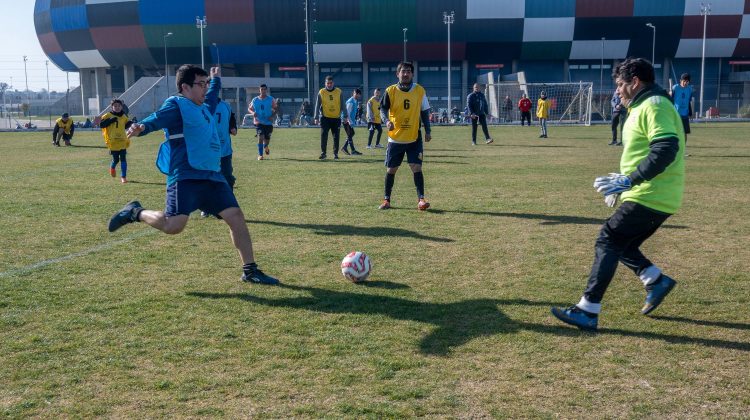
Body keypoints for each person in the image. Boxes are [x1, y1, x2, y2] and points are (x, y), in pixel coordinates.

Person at [108, 65, 279, 285]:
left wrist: (215, 79)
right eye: (201, 84)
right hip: (186, 175)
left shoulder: (204, 105)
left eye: (206, 84)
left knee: (236, 217)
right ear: (185, 87)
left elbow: (213, 93)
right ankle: (135, 212)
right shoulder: (176, 105)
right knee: (173, 226)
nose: (205, 88)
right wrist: (141, 126)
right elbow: (156, 118)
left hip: (212, 176)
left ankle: (250, 271)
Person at [551, 57, 685, 331]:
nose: (617, 90)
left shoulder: (655, 105)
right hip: (650, 193)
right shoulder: (641, 106)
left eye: (619, 84)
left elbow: (666, 149)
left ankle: (588, 309)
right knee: (622, 244)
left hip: (651, 194)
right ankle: (654, 280)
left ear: (635, 82)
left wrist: (630, 180)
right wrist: (622, 178)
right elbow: (644, 151)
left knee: (608, 240)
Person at [378, 61, 432, 211]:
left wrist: (428, 130)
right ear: (398, 74)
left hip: (414, 137)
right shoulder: (390, 91)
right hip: (395, 138)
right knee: (391, 170)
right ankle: (386, 200)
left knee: (416, 167)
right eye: (403, 71)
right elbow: (382, 108)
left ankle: (421, 200)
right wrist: (387, 121)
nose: (406, 74)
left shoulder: (420, 90)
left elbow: (424, 112)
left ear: (412, 74)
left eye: (408, 71)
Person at [99, 99, 133, 183]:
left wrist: (132, 123)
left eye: (119, 106)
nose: (117, 107)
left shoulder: (124, 116)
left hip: (122, 140)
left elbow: (125, 126)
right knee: (116, 160)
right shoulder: (107, 115)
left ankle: (123, 177)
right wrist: (110, 121)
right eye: (115, 106)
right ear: (112, 107)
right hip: (113, 141)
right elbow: (101, 125)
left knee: (123, 159)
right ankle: (112, 167)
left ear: (122, 107)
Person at [314, 75, 346, 160]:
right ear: (325, 83)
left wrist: (345, 116)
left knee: (336, 137)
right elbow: (317, 105)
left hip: (336, 118)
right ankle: (323, 153)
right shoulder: (321, 92)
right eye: (327, 83)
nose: (329, 85)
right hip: (325, 118)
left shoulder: (339, 91)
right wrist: (316, 117)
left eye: (330, 83)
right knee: (324, 136)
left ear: (333, 83)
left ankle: (335, 154)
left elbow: (343, 104)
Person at [248, 84, 277, 161]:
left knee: (267, 139)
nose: (263, 91)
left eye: (264, 89)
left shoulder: (271, 99)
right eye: (262, 89)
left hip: (268, 123)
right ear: (259, 90)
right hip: (258, 122)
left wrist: (272, 116)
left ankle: (265, 147)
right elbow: (249, 108)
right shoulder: (255, 100)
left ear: (266, 90)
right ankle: (260, 155)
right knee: (260, 137)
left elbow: (276, 108)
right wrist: (252, 113)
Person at [671, 73, 693, 147]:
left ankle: (683, 150)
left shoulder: (689, 89)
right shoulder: (675, 88)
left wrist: (690, 112)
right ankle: (674, 149)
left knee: (684, 133)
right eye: (684, 81)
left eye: (687, 82)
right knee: (675, 132)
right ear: (680, 80)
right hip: (676, 114)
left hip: (685, 114)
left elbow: (688, 101)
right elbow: (670, 99)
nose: (685, 83)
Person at [341, 88, 363, 155]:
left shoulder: (355, 101)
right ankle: (353, 151)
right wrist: (349, 121)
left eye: (358, 94)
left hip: (349, 120)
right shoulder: (351, 101)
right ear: (354, 93)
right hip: (346, 120)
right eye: (355, 94)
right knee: (350, 134)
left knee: (351, 133)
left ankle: (345, 147)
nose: (357, 95)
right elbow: (347, 112)